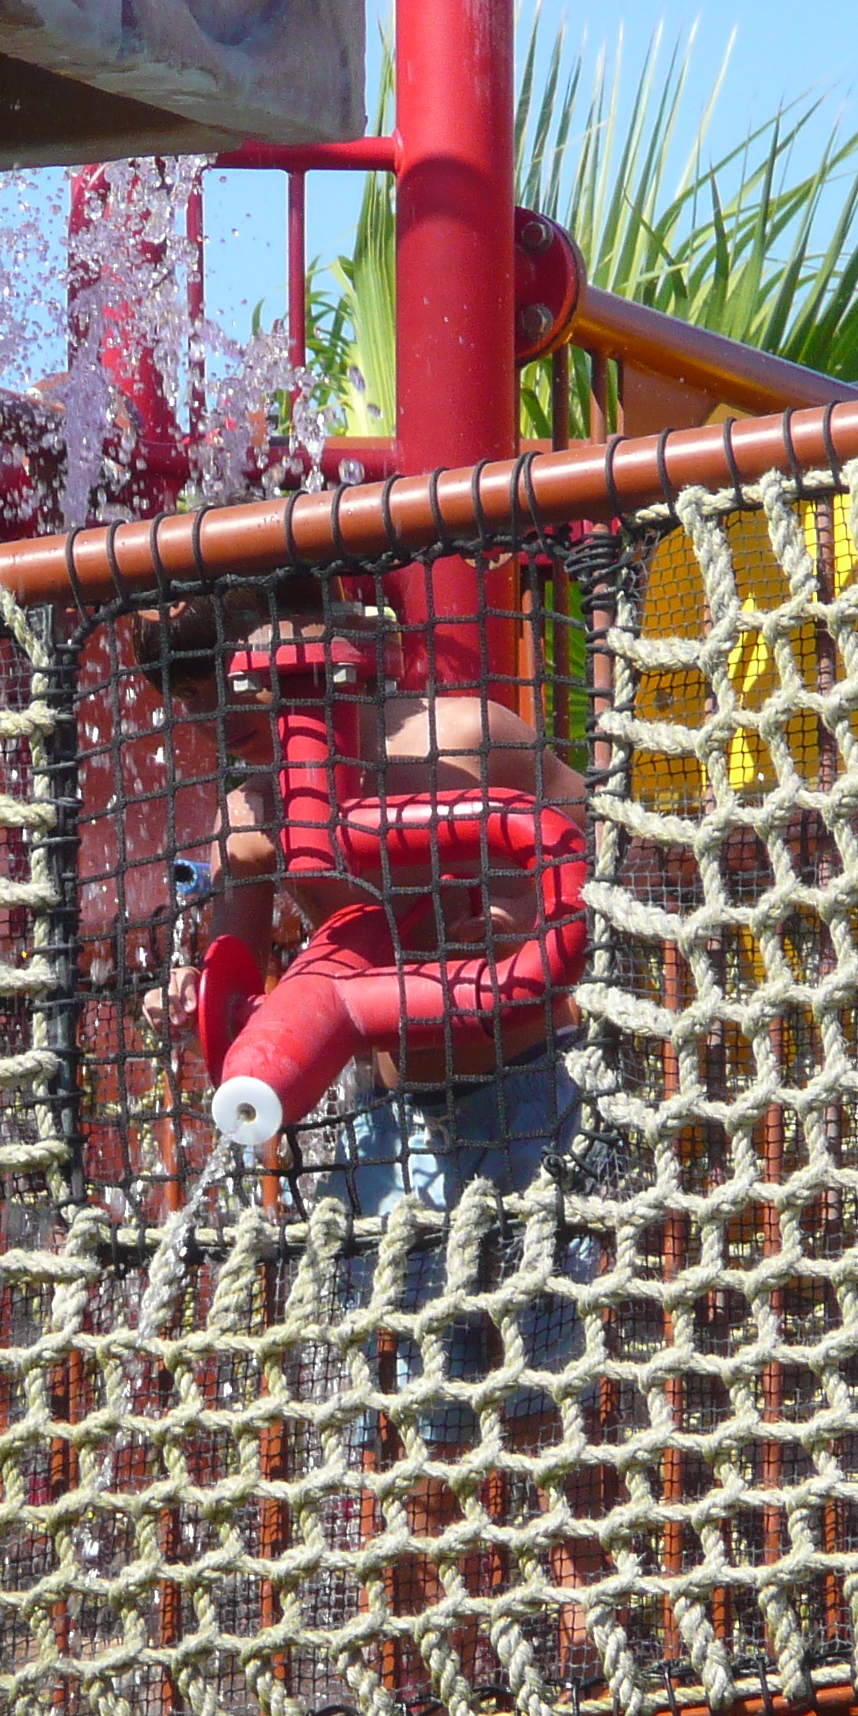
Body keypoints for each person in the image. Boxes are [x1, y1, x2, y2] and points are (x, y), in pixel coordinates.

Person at [135, 583, 596, 1448]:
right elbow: (225, 964)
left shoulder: (461, 738)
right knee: (415, 1421)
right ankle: (425, 1572)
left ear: (311, 641)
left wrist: (519, 918)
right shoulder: (253, 815)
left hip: (528, 1090)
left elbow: (588, 836)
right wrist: (190, 998)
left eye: (222, 679)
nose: (209, 715)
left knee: (551, 1408)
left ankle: (572, 1572)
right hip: (396, 1121)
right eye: (186, 701)